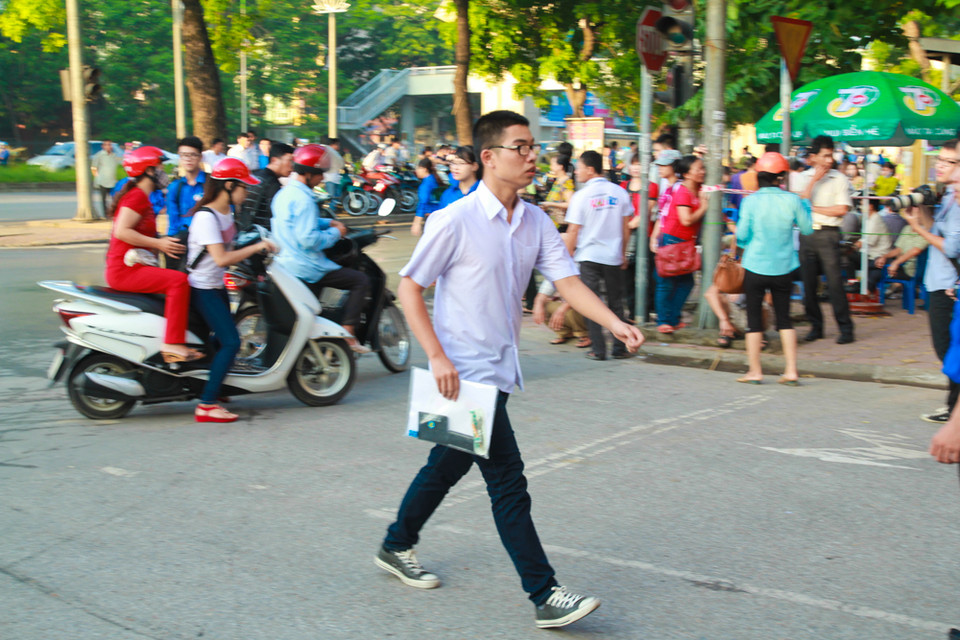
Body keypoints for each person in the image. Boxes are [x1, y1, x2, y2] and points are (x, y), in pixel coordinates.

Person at [375, 109, 644, 629]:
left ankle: (395, 543)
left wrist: (614, 321)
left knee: (445, 467)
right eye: (519, 147)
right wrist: (436, 355)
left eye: (531, 147)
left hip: (498, 369)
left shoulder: (535, 220)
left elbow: (568, 282)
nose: (530, 156)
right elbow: (410, 287)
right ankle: (544, 593)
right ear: (489, 157)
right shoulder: (454, 219)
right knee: (508, 481)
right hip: (462, 373)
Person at [186, 159, 277, 423]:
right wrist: (258, 247)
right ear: (228, 186)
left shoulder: (228, 213)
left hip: (217, 287)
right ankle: (206, 405)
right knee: (231, 342)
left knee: (217, 342)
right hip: (203, 289)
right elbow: (222, 259)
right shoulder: (206, 217)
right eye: (243, 188)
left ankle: (212, 387)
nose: (246, 194)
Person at [271, 144, 370, 353]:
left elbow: (299, 223)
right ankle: (349, 333)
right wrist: (336, 234)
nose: (322, 179)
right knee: (360, 280)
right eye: (319, 175)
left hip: (286, 262)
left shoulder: (285, 193)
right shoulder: (304, 198)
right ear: (307, 173)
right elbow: (308, 239)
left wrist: (327, 223)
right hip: (305, 265)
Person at [104, 146, 198, 363]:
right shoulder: (137, 196)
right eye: (160, 167)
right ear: (148, 171)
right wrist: (159, 243)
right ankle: (173, 344)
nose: (164, 172)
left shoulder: (142, 196)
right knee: (179, 282)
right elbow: (121, 231)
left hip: (134, 265)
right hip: (125, 270)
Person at [734, 152, 813, 385]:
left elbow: (740, 236)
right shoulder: (792, 200)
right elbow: (807, 229)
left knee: (753, 321)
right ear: (781, 177)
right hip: (784, 268)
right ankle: (791, 371)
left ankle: (755, 371)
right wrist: (805, 204)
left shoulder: (750, 201)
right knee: (785, 319)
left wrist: (748, 243)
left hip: (755, 267)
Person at [902, 139, 960, 424]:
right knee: (949, 351)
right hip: (937, 280)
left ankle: (954, 412)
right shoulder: (949, 195)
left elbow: (950, 247)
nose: (940, 166)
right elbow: (932, 227)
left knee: (948, 349)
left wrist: (915, 228)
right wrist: (922, 209)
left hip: (950, 285)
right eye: (939, 160)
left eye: (948, 162)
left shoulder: (958, 199)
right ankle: (952, 409)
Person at [563, 150, 633, 360]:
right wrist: (622, 254)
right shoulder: (619, 192)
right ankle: (620, 347)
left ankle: (599, 349)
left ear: (590, 169)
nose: (576, 172)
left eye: (579, 167)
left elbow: (573, 231)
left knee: (591, 302)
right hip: (612, 256)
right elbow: (626, 227)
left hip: (588, 256)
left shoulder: (581, 196)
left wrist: (567, 256)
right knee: (616, 303)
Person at [792, 135, 856, 344]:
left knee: (835, 283)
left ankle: (846, 328)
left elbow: (841, 210)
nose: (829, 160)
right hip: (807, 234)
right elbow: (798, 204)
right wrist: (813, 181)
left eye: (831, 155)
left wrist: (813, 208)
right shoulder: (803, 177)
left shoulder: (840, 178)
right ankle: (816, 327)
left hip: (829, 234)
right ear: (814, 157)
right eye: (825, 155)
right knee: (808, 284)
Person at [653, 155, 709, 333]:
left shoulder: (699, 189)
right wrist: (704, 207)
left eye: (703, 168)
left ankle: (673, 318)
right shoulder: (683, 191)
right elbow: (686, 220)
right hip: (671, 240)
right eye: (698, 169)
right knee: (666, 282)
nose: (703, 171)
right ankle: (663, 321)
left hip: (685, 243)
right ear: (687, 174)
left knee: (686, 283)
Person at [622, 153, 659, 322]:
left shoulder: (651, 187)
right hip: (624, 234)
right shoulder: (622, 185)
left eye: (640, 164)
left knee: (645, 275)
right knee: (627, 276)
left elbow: (644, 213)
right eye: (634, 164)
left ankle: (644, 311)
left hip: (643, 236)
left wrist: (626, 226)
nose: (636, 167)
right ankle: (632, 312)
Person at [237, 141, 294, 231]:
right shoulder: (271, 183)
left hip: (246, 231)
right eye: (290, 161)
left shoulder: (257, 175)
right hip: (261, 237)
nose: (292, 166)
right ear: (274, 160)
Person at [165, 136, 207, 236]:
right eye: (184, 155)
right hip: (184, 239)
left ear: (200, 157)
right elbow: (173, 220)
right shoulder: (175, 187)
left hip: (207, 239)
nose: (188, 159)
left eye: (193, 155)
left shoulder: (210, 183)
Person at [532, 279, 590, 347]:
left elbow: (580, 296)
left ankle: (584, 335)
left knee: (575, 308)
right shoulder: (554, 273)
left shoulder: (578, 271)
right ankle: (566, 333)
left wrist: (561, 310)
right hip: (566, 305)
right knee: (543, 307)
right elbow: (542, 295)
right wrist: (538, 305)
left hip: (587, 308)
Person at [856, 200, 895, 293]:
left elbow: (869, 241)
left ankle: (863, 288)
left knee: (850, 257)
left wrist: (855, 245)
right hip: (871, 254)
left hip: (879, 255)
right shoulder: (869, 219)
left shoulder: (876, 219)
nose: (861, 207)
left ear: (870, 206)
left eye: (862, 205)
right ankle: (860, 286)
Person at [91, 139, 122, 218]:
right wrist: (97, 177)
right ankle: (106, 215)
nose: (109, 146)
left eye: (110, 145)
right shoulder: (99, 155)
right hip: (102, 181)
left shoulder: (114, 155)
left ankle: (113, 213)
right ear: (103, 146)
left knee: (115, 199)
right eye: (107, 145)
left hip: (112, 181)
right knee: (104, 200)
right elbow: (94, 167)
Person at [410, 158, 441, 237]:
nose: (416, 171)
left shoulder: (426, 184)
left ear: (424, 169)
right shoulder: (433, 179)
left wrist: (416, 223)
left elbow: (423, 203)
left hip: (432, 218)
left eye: (418, 168)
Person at [542, 153, 575, 226]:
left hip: (559, 225)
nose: (550, 167)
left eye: (553, 164)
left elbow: (570, 204)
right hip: (553, 223)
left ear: (560, 167)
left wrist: (550, 204)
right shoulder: (558, 181)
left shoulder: (566, 182)